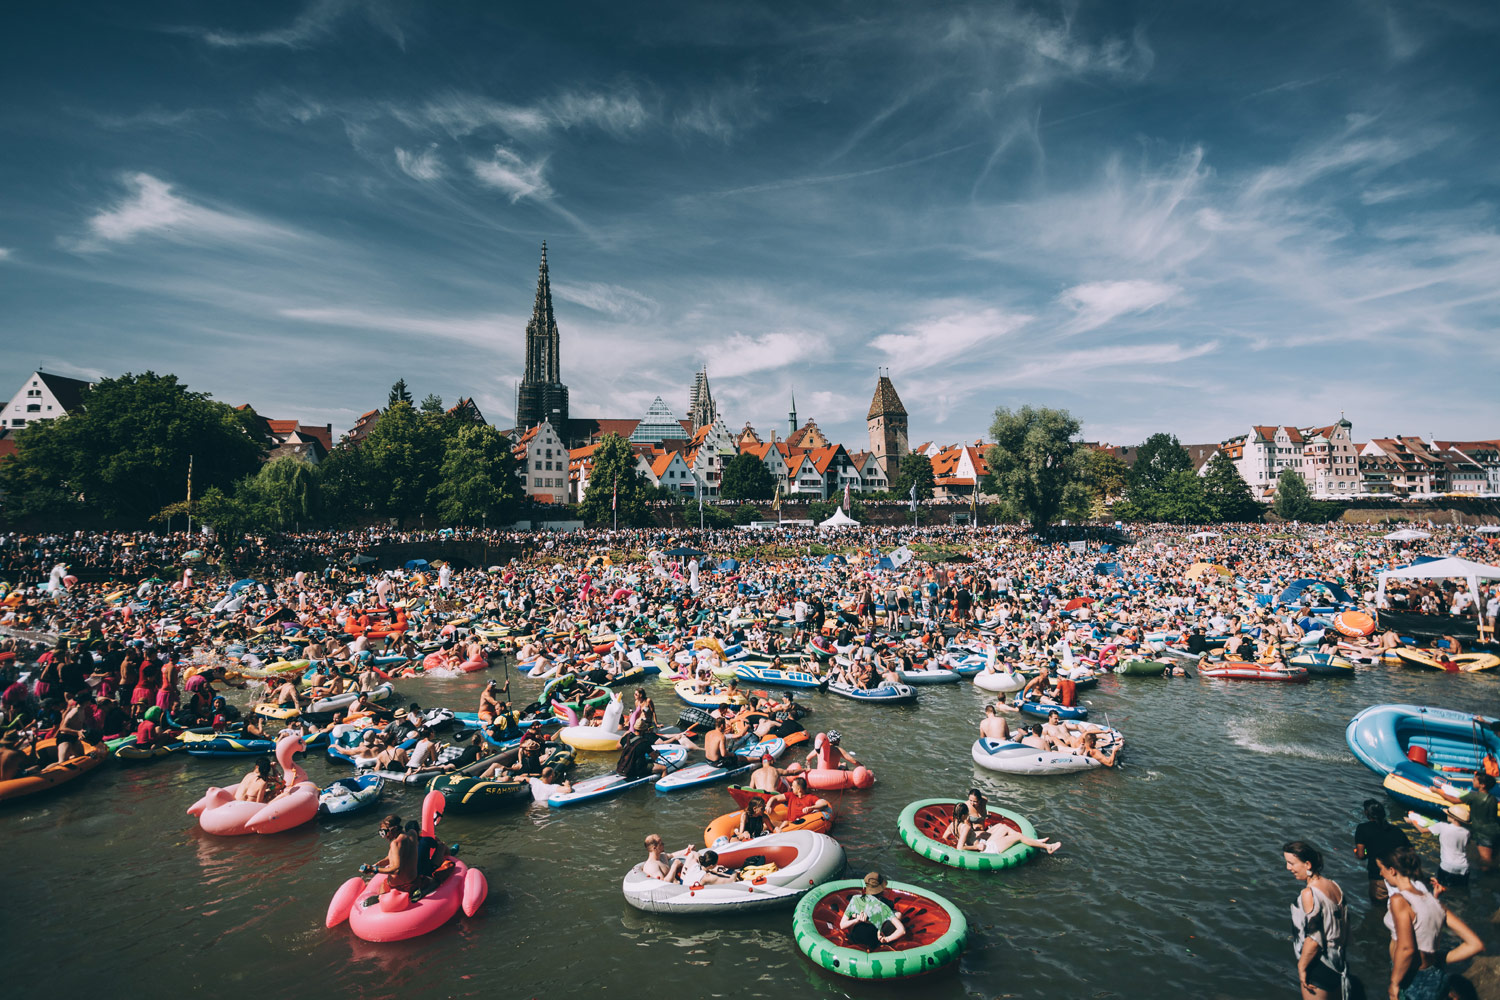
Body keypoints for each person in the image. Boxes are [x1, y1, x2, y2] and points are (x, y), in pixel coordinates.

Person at [1377, 845, 1484, 1000]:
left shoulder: (1399, 900)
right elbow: (1475, 944)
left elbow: (1407, 948)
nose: (1381, 873)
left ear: (1392, 870)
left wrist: (1394, 982)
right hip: (1434, 977)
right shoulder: (1434, 903)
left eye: (1381, 869)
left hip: (1411, 979)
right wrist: (1439, 958)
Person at [1283, 840, 1349, 1000]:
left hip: (1318, 964)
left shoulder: (1309, 894)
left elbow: (1314, 939)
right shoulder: (1334, 886)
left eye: (1291, 863)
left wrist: (1302, 967)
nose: (1288, 868)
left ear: (1307, 864)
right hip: (1338, 962)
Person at [1439, 771, 1498, 872]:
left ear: (1482, 785)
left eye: (1475, 780)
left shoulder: (1473, 796)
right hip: (1495, 830)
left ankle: (1486, 879)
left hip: (1483, 833)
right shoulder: (1493, 799)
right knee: (1492, 856)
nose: (1472, 781)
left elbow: (1454, 800)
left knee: (1485, 860)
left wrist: (1437, 791)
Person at [1355, 799, 1410, 902]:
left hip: (1378, 877)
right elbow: (1410, 851)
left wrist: (1365, 852)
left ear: (1366, 813)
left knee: (1379, 908)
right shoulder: (1396, 830)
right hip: (1399, 878)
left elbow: (1361, 854)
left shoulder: (1362, 828)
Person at [1409, 805, 1471, 893]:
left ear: (1454, 818)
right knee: (1461, 890)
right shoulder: (1467, 832)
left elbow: (1422, 830)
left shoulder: (1442, 826)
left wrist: (1413, 822)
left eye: (1448, 814)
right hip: (1464, 866)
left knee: (1442, 889)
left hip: (1447, 866)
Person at [839, 872, 905, 949]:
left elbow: (842, 925)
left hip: (854, 938)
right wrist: (886, 939)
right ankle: (881, 943)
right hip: (872, 943)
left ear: (865, 888)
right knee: (897, 915)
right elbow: (902, 931)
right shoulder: (883, 907)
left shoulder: (855, 899)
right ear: (882, 891)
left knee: (855, 915)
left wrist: (857, 920)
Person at [364, 814, 419, 894]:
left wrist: (374, 870)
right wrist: (379, 863)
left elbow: (396, 870)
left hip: (398, 886)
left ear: (394, 829)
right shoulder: (412, 834)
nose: (383, 836)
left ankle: (380, 897)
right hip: (413, 881)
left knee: (382, 886)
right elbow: (400, 855)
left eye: (384, 832)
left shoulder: (395, 843)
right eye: (381, 833)